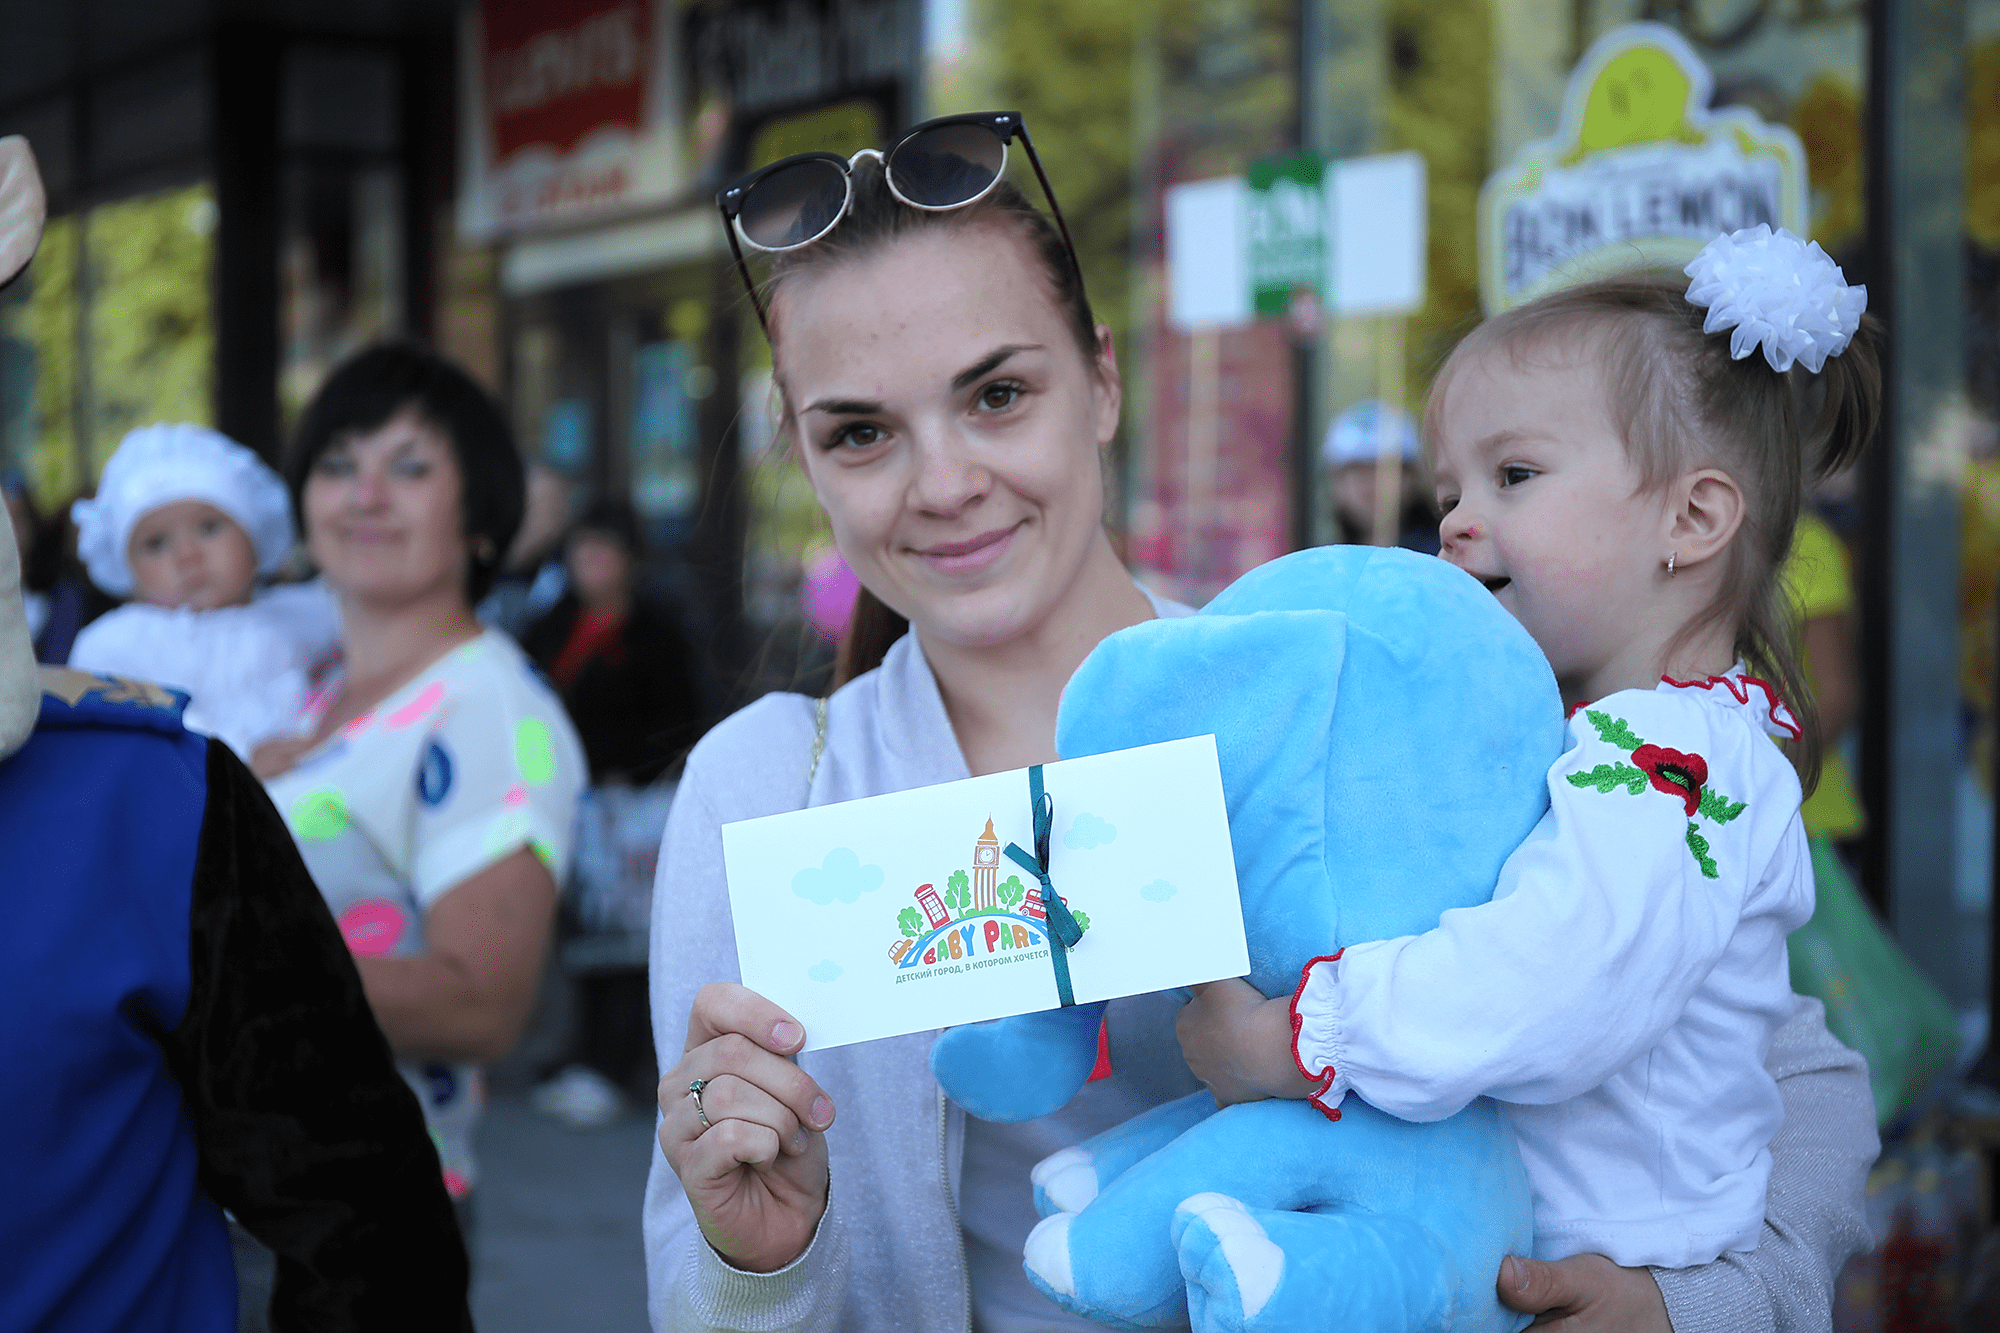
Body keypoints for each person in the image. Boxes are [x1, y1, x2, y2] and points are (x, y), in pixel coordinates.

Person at [643, 123, 1875, 1333]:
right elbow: (701, 1295)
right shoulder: (766, 786)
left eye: (998, 394)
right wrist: (758, 1258)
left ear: (1103, 381)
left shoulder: (1340, 680)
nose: (944, 481)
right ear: (802, 456)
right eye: (859, 432)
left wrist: (1689, 1306)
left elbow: (1785, 1067)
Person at [1181, 232, 1881, 1288]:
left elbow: (1548, 981)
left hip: (1604, 1260)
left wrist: (1296, 1038)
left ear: (1691, 517)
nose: (1458, 523)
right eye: (1450, 491)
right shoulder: (1605, 731)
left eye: (1513, 475)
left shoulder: (1670, 764)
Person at [0, 131, 473, 1333]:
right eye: (159, 542)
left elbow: (363, 1222)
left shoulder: (147, 794)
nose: (369, 503)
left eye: (409, 472)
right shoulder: (132, 685)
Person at [251, 341, 586, 1231]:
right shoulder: (313, 692)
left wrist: (213, 972)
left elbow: (481, 1004)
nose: (364, 495)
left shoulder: (488, 707)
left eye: (408, 468)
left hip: (352, 1218)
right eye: (337, 465)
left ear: (480, 516)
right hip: (241, 1202)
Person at [66, 422, 341, 760]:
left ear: (254, 539)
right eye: (156, 544)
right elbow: (131, 744)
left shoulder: (303, 616)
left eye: (209, 528)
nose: (188, 555)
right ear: (128, 570)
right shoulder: (117, 646)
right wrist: (242, 758)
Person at [523, 497, 703, 786]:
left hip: (635, 793)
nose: (590, 559)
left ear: (629, 557)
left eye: (603, 547)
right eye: (583, 547)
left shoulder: (659, 636)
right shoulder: (546, 628)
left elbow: (679, 723)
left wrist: (631, 774)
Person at [1319, 398, 1439, 552]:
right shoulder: (1326, 557)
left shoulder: (1444, 556)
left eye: (1383, 468)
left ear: (1412, 478)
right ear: (1335, 483)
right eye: (1357, 469)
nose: (1369, 481)